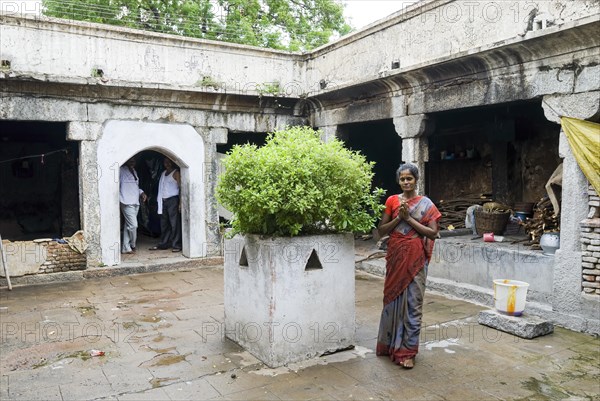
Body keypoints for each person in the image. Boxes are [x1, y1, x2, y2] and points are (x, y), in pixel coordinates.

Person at [375, 163, 441, 369]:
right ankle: (389, 345)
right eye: (402, 179)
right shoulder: (392, 201)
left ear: (416, 179)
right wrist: (398, 219)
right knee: (392, 301)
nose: (406, 182)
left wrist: (409, 219)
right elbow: (381, 231)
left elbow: (432, 233)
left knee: (413, 304)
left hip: (415, 259)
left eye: (409, 178)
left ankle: (408, 352)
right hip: (396, 257)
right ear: (398, 181)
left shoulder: (427, 204)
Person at [149, 157, 182, 252]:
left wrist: (180, 202)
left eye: (169, 162)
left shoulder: (176, 173)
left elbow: (180, 188)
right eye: (165, 162)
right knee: (164, 224)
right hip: (163, 201)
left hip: (173, 200)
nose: (167, 164)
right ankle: (164, 243)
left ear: (172, 162)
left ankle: (177, 245)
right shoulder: (163, 173)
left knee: (174, 223)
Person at [119, 157, 147, 254]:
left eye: (134, 160)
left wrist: (142, 193)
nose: (132, 162)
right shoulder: (121, 170)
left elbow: (135, 186)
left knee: (128, 225)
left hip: (135, 202)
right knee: (133, 226)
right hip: (126, 202)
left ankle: (125, 248)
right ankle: (133, 244)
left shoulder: (134, 171)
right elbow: (115, 185)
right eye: (130, 160)